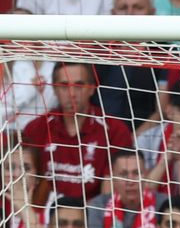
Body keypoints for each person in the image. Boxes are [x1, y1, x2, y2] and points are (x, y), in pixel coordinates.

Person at [22, 62, 134, 204]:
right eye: (64, 86)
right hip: (43, 216)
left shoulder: (115, 130)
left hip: (93, 216)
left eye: (79, 85)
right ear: (55, 89)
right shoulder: (36, 128)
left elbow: (111, 191)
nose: (72, 93)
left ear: (92, 88)